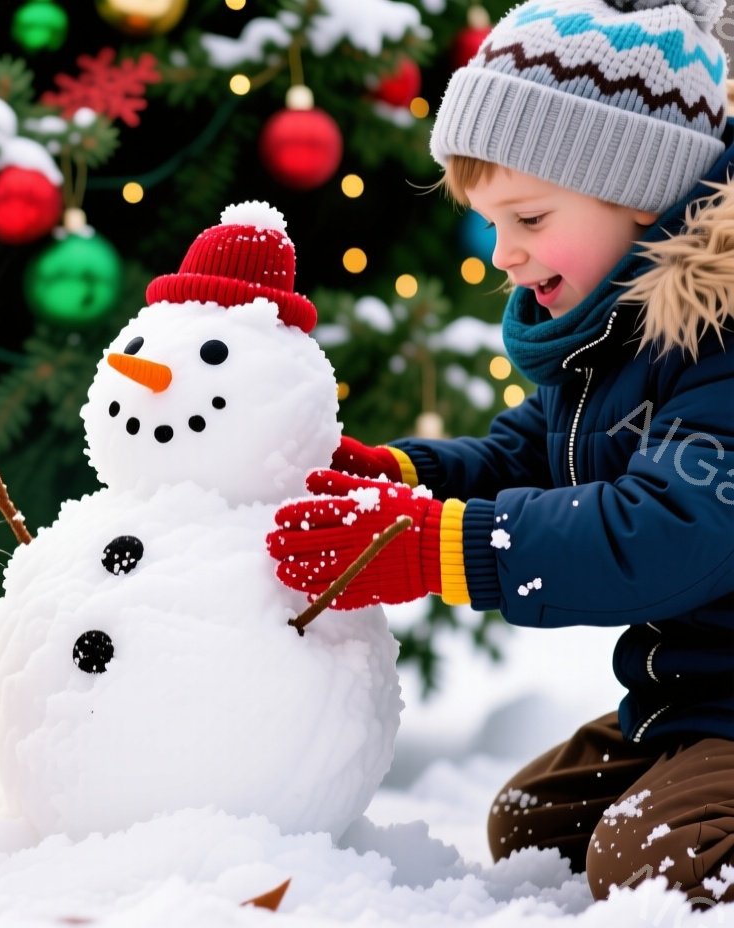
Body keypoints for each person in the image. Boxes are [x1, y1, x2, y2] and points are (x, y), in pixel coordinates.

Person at [265, 0, 734, 905]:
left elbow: (670, 530)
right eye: (488, 222)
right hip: (693, 698)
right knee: (532, 823)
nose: (502, 254)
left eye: (526, 216)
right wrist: (404, 479)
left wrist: (441, 546)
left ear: (639, 188)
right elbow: (531, 454)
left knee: (656, 858)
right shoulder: (615, 333)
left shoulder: (718, 335)